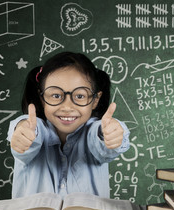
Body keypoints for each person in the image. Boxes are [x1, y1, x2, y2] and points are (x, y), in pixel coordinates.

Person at [7, 52, 130, 199]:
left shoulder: (95, 130)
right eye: (56, 95)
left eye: (79, 96)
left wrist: (111, 135)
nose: (67, 106)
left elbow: (101, 144)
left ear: (95, 100)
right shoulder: (33, 127)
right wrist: (22, 134)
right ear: (42, 98)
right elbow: (27, 133)